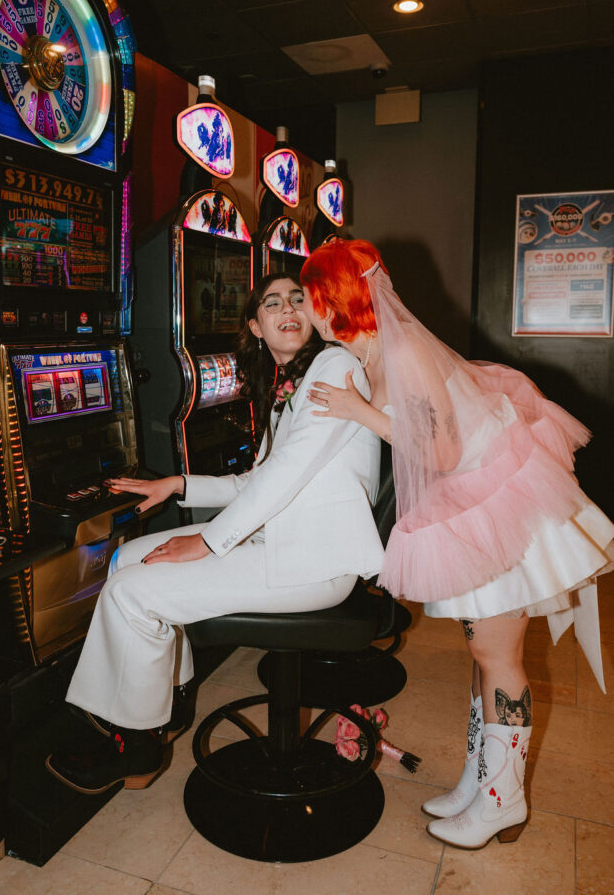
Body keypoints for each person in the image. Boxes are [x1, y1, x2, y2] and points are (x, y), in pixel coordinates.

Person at [300, 239, 613, 850]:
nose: (309, 311)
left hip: (495, 508)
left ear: (335, 299)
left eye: (312, 297)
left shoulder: (403, 351)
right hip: (475, 504)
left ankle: (503, 800)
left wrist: (358, 411)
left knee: (499, 657)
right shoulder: (376, 353)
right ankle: (481, 781)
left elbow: (439, 451)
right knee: (483, 651)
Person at [46, 273, 386, 795]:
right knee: (126, 559)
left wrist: (205, 542)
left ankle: (135, 746)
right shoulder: (290, 383)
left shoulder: (334, 365)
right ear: (255, 326)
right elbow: (257, 478)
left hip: (316, 560)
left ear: (316, 312)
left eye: (298, 298)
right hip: (286, 540)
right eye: (272, 303)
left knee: (133, 591)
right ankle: (172, 696)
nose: (288, 308)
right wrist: (177, 484)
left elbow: (286, 473)